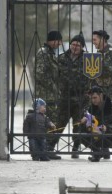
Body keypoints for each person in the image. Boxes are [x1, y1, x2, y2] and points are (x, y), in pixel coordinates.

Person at [57, 34, 91, 159]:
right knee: (60, 122)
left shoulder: (87, 59)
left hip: (81, 97)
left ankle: (75, 148)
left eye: (78, 45)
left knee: (78, 124)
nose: (75, 47)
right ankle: (50, 146)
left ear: (82, 47)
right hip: (64, 96)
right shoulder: (61, 58)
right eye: (73, 44)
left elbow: (92, 76)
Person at [35, 30, 62, 160]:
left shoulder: (51, 53)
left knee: (51, 122)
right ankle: (42, 150)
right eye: (58, 41)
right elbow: (40, 74)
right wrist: (54, 87)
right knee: (44, 122)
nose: (60, 43)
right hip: (45, 95)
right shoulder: (43, 53)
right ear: (51, 40)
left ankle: (47, 149)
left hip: (51, 95)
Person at [80, 86, 112, 162]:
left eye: (95, 98)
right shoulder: (91, 108)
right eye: (91, 98)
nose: (93, 100)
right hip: (99, 136)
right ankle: (97, 152)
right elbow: (89, 122)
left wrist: (107, 128)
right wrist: (85, 120)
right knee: (81, 133)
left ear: (101, 95)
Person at [92, 30, 112, 100]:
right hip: (96, 92)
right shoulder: (97, 55)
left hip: (108, 92)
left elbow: (109, 70)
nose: (93, 42)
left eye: (95, 40)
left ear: (102, 39)